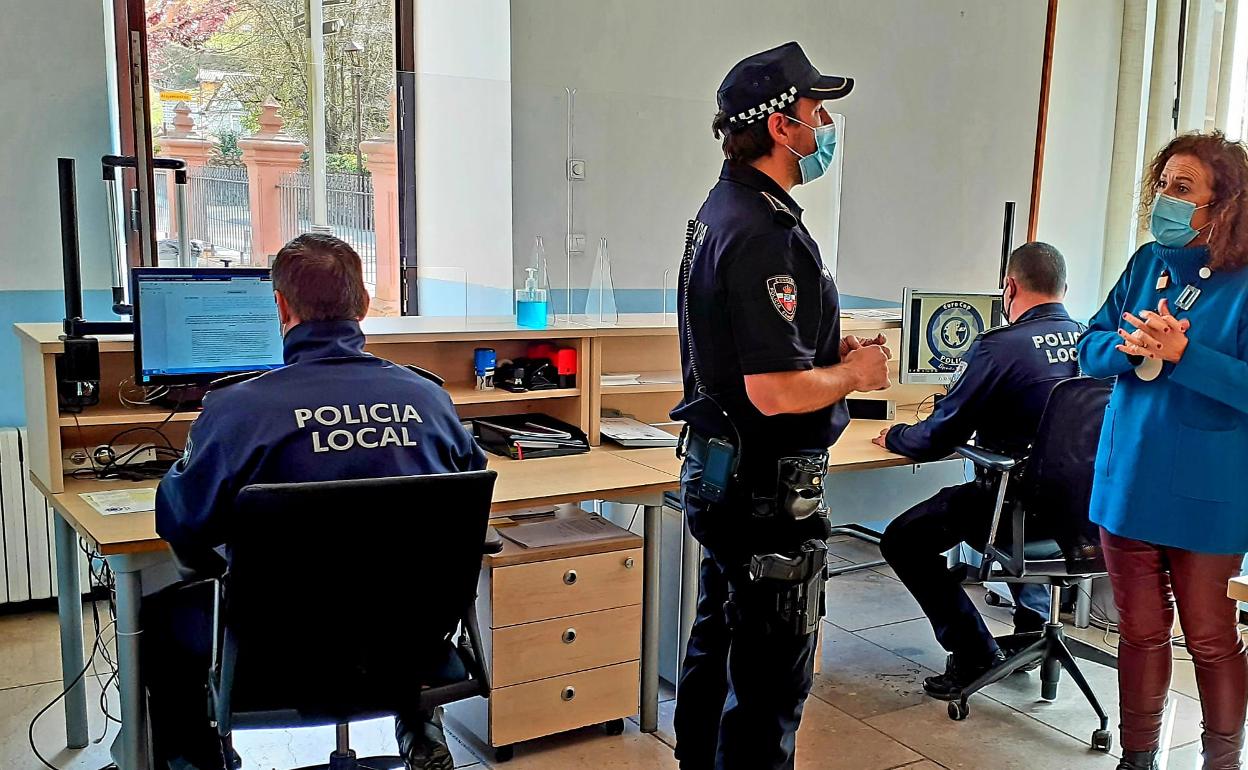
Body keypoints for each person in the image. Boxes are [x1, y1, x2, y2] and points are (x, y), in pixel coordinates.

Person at [147, 234, 486, 770]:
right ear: (365, 303)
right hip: (406, 641)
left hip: (276, 652)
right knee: (398, 580)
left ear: (280, 307)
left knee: (158, 617)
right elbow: (465, 497)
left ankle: (200, 760)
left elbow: (180, 520)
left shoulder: (238, 410)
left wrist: (183, 469)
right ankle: (417, 722)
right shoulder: (429, 398)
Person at [671, 42, 890, 770]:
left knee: (719, 648)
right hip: (767, 493)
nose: (825, 125)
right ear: (779, 127)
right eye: (815, 111)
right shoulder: (766, 233)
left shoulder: (720, 209)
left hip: (720, 476)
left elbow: (753, 353)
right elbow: (771, 391)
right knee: (768, 689)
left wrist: (825, 354)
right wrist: (853, 374)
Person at [1079, 132, 1248, 770]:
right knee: (1140, 632)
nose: (1165, 201)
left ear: (1223, 204)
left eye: (1183, 190)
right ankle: (1138, 756)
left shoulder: (1245, 281)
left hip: (1209, 489)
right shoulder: (1148, 261)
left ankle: (1222, 759)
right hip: (1129, 477)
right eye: (1162, 185)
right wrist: (1125, 349)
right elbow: (1090, 341)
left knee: (1209, 637)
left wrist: (1184, 356)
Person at [870, 242, 1083, 699]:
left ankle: (975, 651)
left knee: (903, 541)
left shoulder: (998, 348)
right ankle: (1029, 633)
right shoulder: (1094, 342)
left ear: (1009, 287)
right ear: (1064, 288)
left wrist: (896, 435)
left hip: (1016, 507)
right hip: (1086, 514)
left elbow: (937, 439)